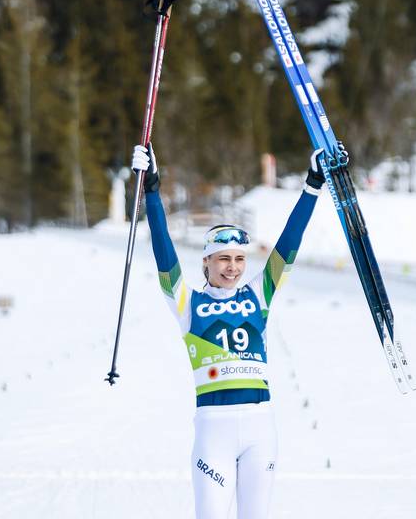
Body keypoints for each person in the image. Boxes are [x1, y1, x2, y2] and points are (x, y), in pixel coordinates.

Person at [131, 142, 324, 519]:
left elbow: (289, 242)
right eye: (223, 259)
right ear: (206, 261)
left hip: (260, 429)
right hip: (213, 433)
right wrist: (152, 191)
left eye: (238, 259)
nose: (233, 268)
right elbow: (163, 250)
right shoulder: (188, 303)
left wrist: (313, 185)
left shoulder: (260, 293)